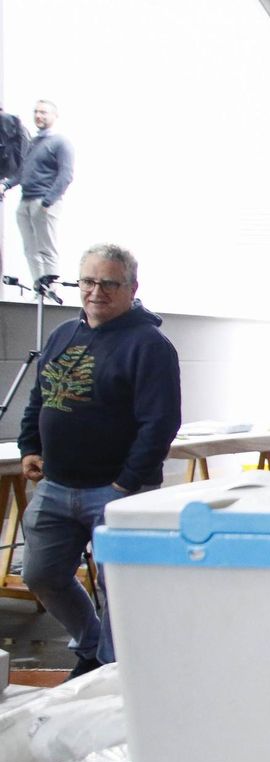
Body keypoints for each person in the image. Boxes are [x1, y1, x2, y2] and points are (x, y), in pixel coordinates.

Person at [18, 243, 181, 675]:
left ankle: (113, 673)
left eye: (110, 283)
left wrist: (126, 484)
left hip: (116, 491)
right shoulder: (62, 335)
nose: (96, 291)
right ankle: (92, 645)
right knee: (41, 574)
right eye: (89, 281)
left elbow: (160, 422)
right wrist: (29, 447)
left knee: (119, 587)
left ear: (132, 289)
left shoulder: (149, 345)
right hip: (56, 486)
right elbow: (42, 396)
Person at [0, 100, 75, 293]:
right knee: (30, 249)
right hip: (25, 200)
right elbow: (23, 170)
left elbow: (66, 175)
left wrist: (48, 201)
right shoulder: (34, 142)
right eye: (36, 112)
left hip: (43, 201)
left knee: (46, 247)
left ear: (54, 116)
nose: (39, 116)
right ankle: (39, 287)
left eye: (43, 112)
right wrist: (6, 185)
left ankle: (52, 289)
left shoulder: (60, 142)